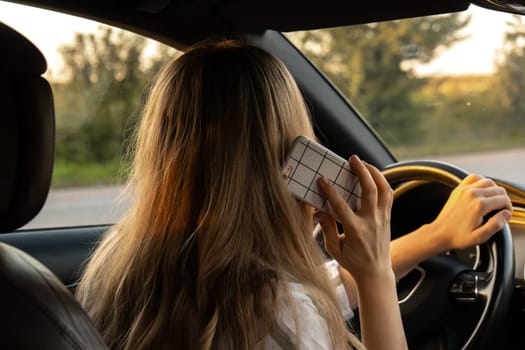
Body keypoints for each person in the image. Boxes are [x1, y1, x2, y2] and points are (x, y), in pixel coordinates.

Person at [76, 39, 512, 350]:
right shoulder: (278, 318)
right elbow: (290, 304)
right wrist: (376, 275)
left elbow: (312, 290)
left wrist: (433, 237)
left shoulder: (117, 270)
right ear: (285, 158)